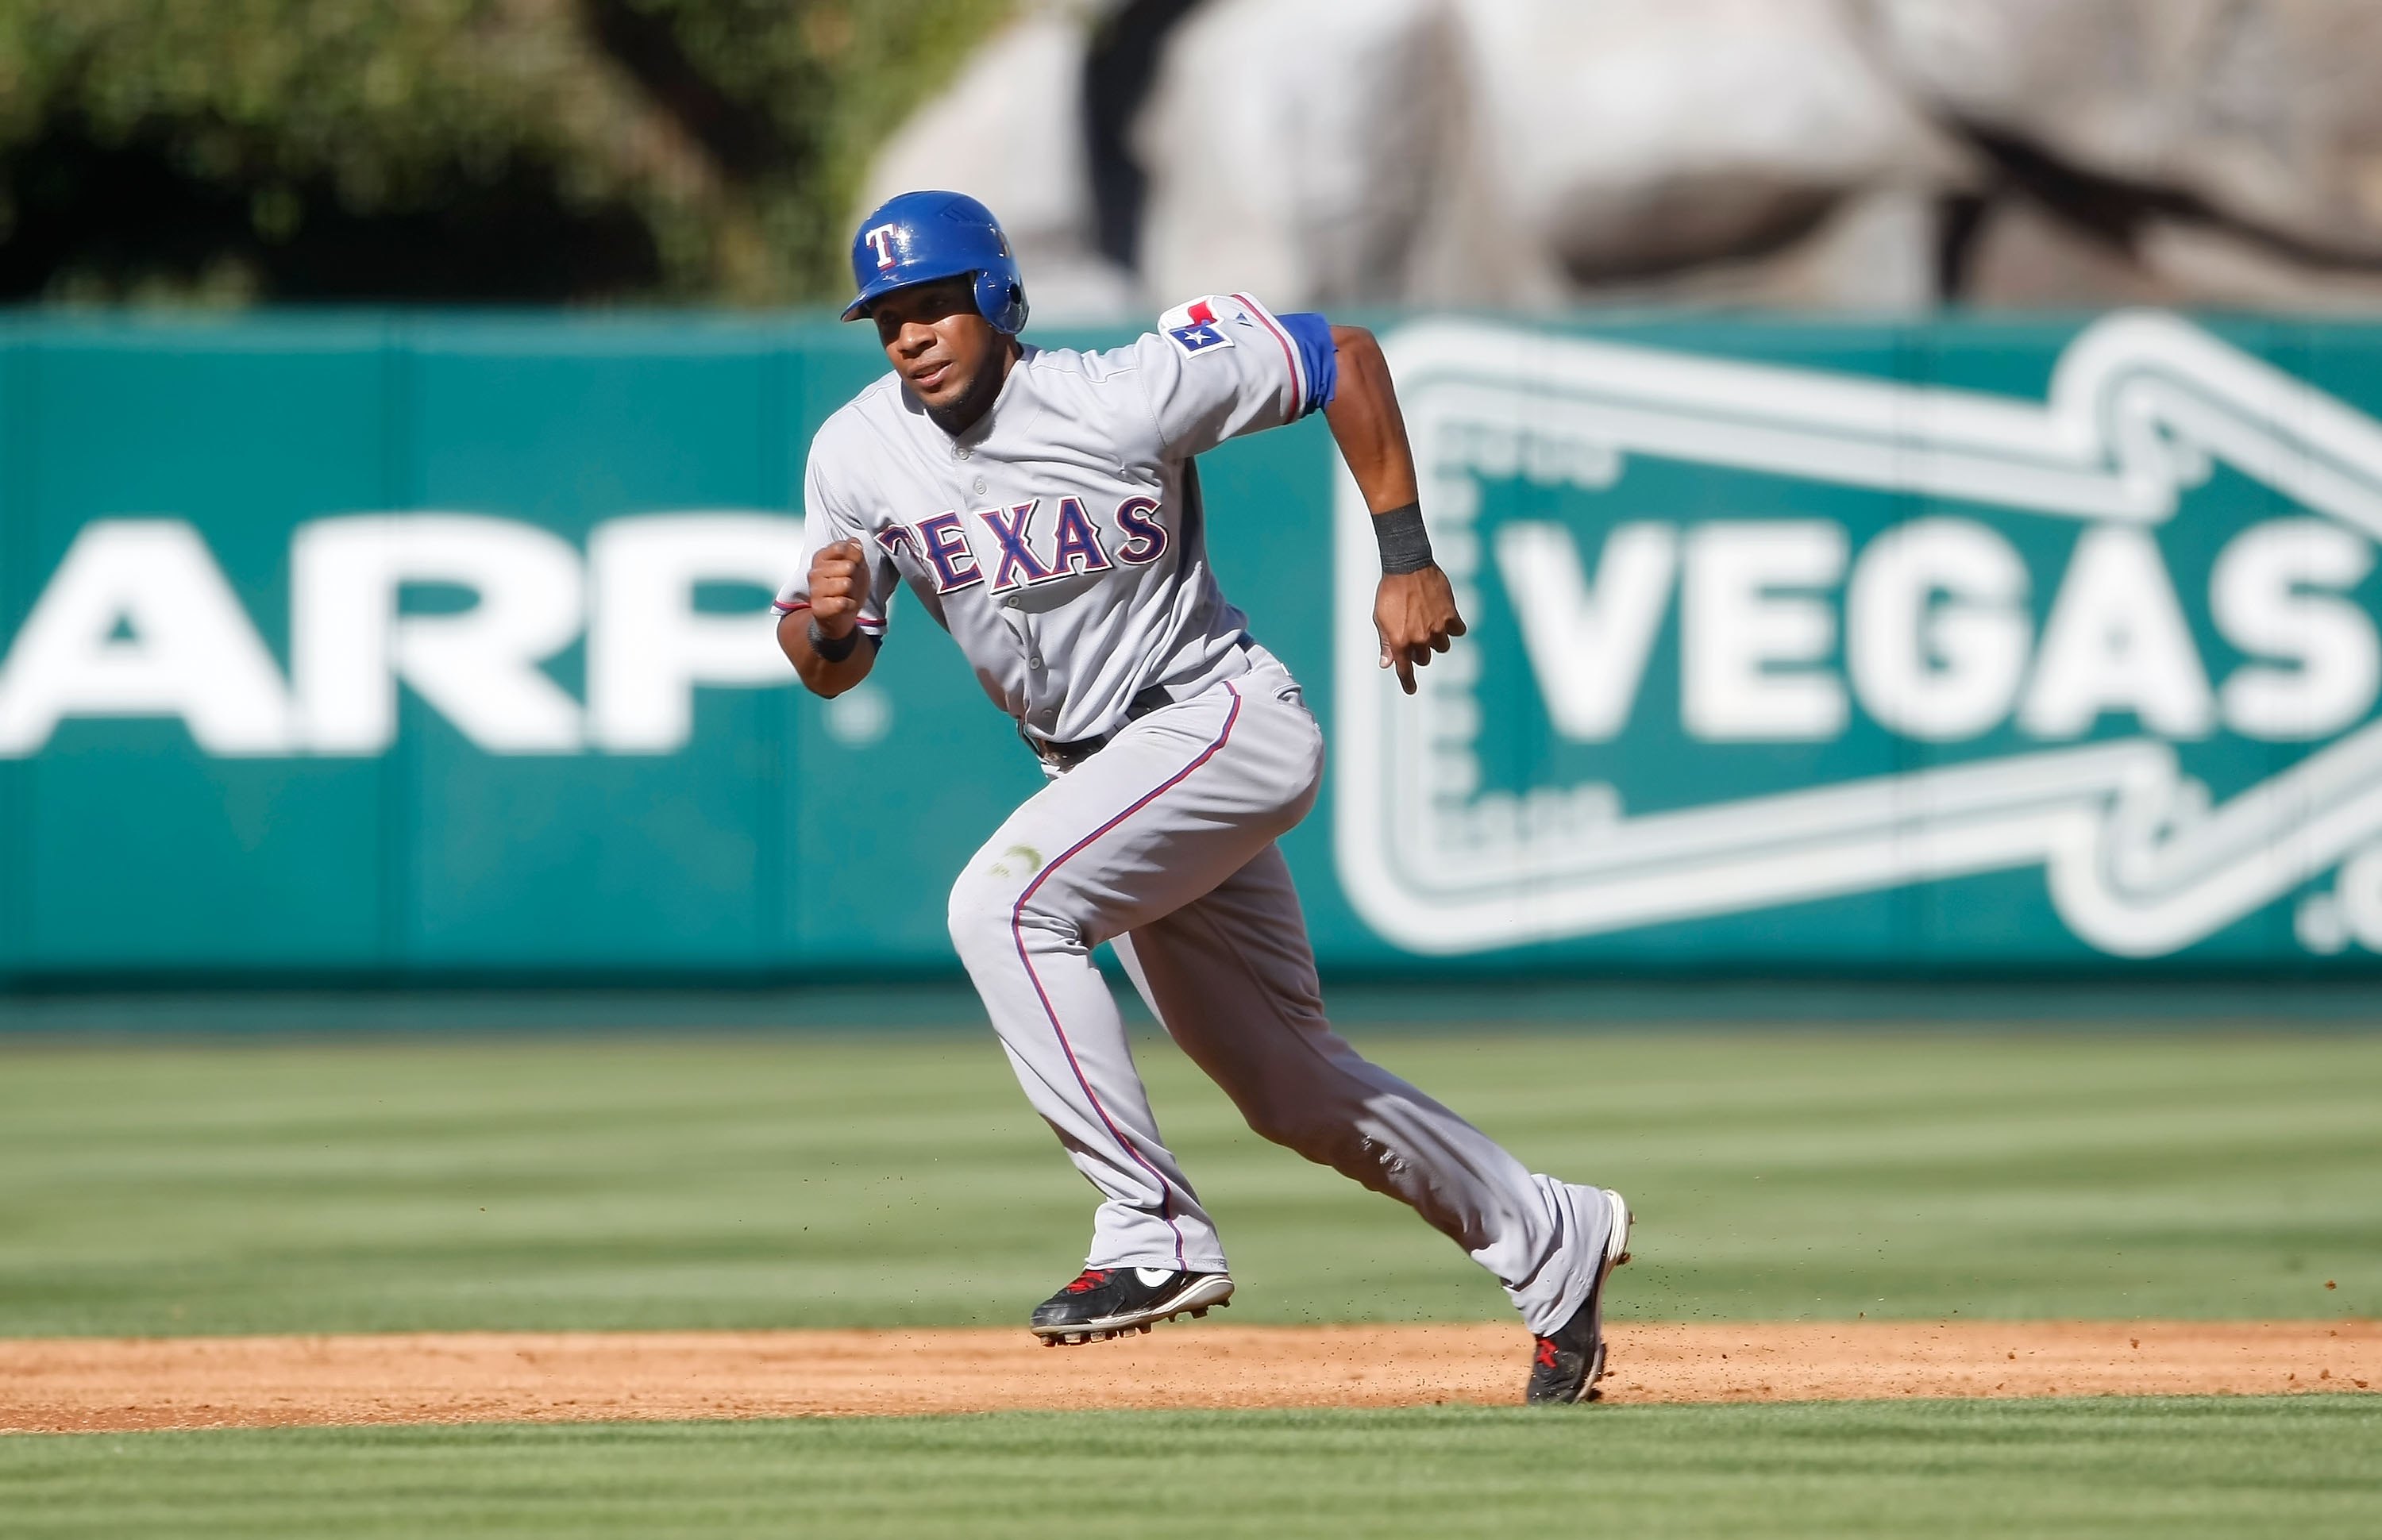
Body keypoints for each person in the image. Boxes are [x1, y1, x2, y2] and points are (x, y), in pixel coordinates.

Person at [774, 191, 1631, 1403]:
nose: (910, 335)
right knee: (1285, 1084)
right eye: (887, 319)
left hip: (1216, 721)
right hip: (1100, 779)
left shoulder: (1119, 391)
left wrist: (1407, 558)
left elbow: (1342, 356)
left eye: (933, 305)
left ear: (996, 299)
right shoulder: (857, 454)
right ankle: (1547, 1235)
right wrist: (822, 617)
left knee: (1004, 907)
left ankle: (1150, 1232)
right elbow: (831, 669)